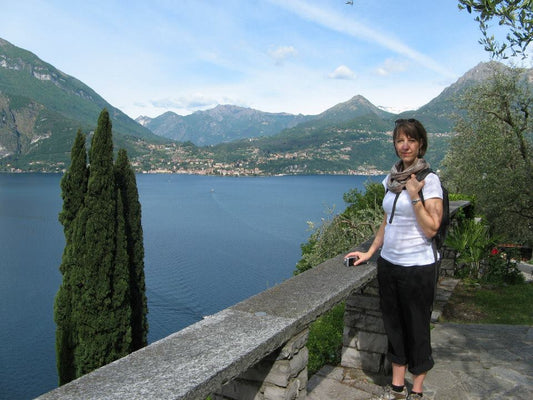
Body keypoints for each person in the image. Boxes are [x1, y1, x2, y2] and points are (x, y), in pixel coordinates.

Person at [345, 118, 443, 400]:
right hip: (389, 264)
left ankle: (418, 391)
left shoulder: (429, 180)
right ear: (394, 144)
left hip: (418, 267)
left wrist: (415, 196)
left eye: (411, 140)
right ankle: (398, 388)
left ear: (421, 144)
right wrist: (370, 252)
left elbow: (431, 227)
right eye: (400, 140)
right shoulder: (390, 180)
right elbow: (387, 222)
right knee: (394, 326)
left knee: (417, 328)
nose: (405, 145)